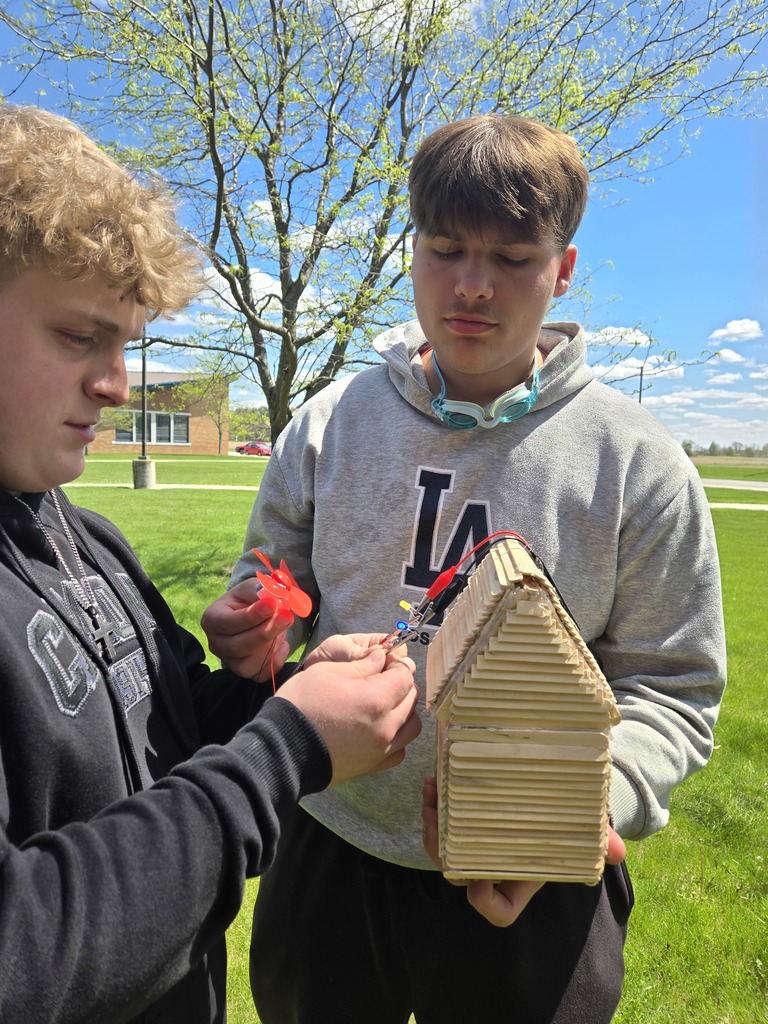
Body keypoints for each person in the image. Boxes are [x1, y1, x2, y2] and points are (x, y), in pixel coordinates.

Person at [203, 114, 727, 1024]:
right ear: (411, 252)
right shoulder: (330, 426)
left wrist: (576, 803)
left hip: (532, 865)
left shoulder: (638, 462)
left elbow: (675, 687)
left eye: (514, 257)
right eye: (446, 249)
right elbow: (273, 577)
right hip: (334, 829)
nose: (473, 285)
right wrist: (254, 625)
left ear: (563, 270)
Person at [0, 103, 423, 1024]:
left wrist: (282, 685)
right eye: (79, 337)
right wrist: (290, 749)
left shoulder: (88, 537)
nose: (115, 385)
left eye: (126, 344)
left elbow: (175, 742)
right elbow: (20, 954)